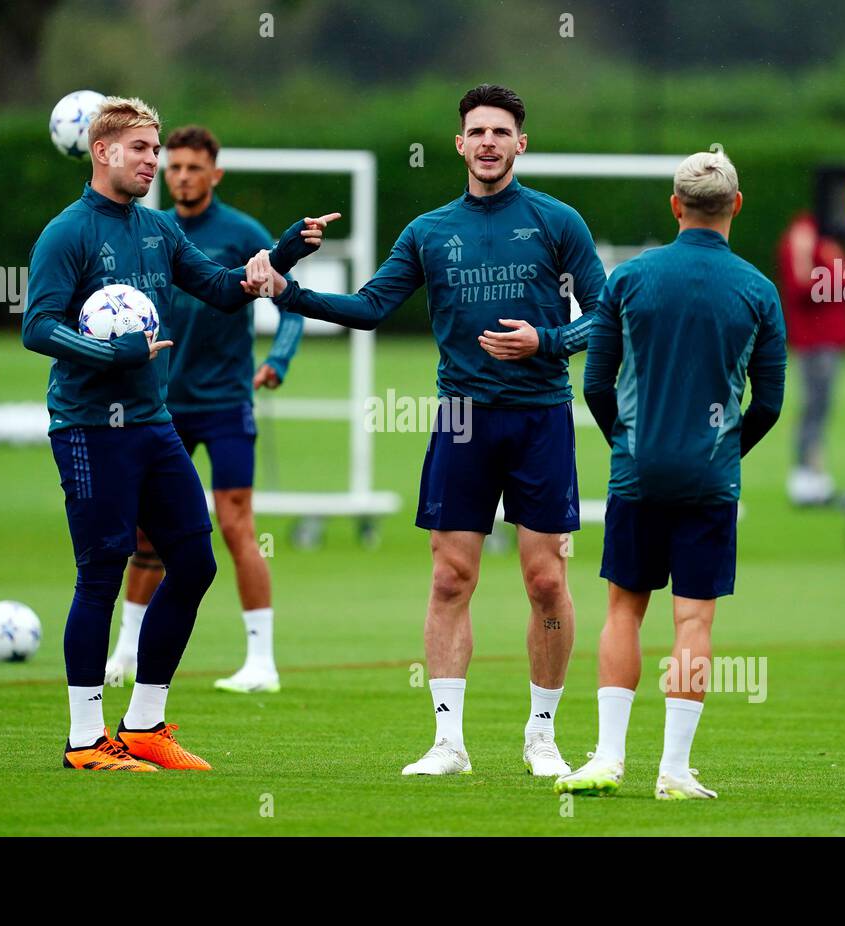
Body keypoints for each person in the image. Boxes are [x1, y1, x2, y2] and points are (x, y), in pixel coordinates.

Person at [245, 84, 607, 778]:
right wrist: (291, 293)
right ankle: (448, 742)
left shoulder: (559, 222)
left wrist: (547, 342)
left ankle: (542, 736)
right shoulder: (429, 230)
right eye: (478, 131)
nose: (490, 142)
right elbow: (371, 306)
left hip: (540, 421)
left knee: (544, 582)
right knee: (449, 579)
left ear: (520, 144)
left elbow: (606, 316)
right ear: (460, 144)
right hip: (462, 421)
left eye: (502, 132)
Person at [22, 96, 335, 771]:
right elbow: (37, 326)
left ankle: (143, 725)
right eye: (141, 149)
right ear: (103, 151)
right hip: (87, 427)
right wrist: (114, 355)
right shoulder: (67, 233)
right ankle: (84, 742)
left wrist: (281, 252)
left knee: (194, 563)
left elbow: (222, 288)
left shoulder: (159, 230)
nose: (152, 161)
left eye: (154, 149)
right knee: (101, 573)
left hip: (152, 425)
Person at [556, 150, 786, 798]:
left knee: (623, 612)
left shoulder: (629, 280)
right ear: (736, 205)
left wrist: (626, 445)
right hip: (709, 481)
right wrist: (724, 451)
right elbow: (767, 401)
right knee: (693, 622)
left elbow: (597, 383)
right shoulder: (757, 291)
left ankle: (605, 758)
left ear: (674, 205)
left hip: (638, 475)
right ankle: (675, 771)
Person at [105, 125, 304, 695]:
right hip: (162, 403)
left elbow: (288, 303)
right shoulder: (153, 231)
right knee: (146, 533)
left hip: (226, 403)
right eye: (174, 167)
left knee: (236, 523)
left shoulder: (243, 233)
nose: (182, 176)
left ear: (214, 174)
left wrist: (279, 360)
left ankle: (261, 661)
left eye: (194, 168)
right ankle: (126, 652)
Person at [776, 211, 845, 505]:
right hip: (815, 338)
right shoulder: (804, 233)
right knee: (813, 407)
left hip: (826, 339)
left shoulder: (821, 236)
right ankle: (804, 477)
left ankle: (815, 474)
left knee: (820, 408)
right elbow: (801, 284)